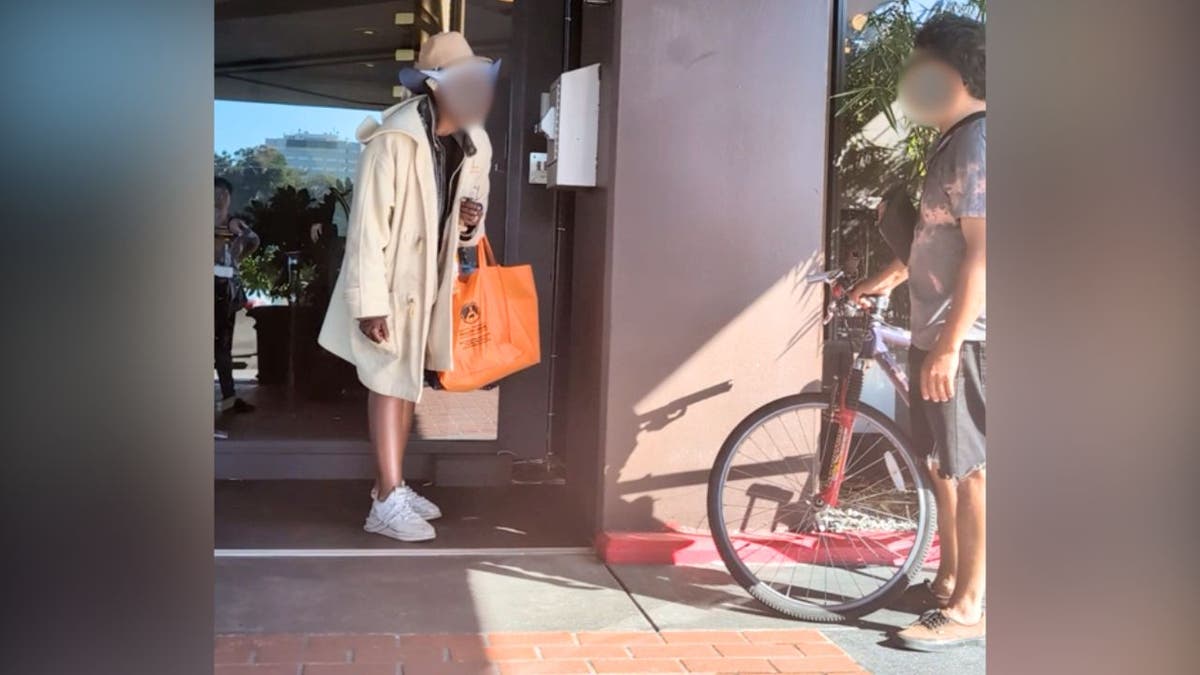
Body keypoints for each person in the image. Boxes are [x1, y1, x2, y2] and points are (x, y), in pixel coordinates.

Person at [317, 31, 498, 542]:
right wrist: (368, 303)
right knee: (386, 382)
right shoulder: (393, 139)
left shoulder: (472, 142)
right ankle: (386, 496)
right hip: (392, 281)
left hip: (431, 282)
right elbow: (368, 230)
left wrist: (467, 223)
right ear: (437, 86)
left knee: (407, 385)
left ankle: (389, 490)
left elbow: (467, 228)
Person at [849, 14, 986, 650]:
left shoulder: (982, 140)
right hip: (938, 327)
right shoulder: (953, 141)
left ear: (955, 73)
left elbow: (987, 252)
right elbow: (937, 239)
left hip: (973, 335)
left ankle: (968, 607)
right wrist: (884, 278)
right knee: (942, 464)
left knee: (974, 468)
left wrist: (953, 344)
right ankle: (946, 581)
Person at [214, 176, 259, 414]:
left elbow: (253, 241)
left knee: (223, 349)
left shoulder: (234, 226)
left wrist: (238, 230)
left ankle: (230, 399)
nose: (220, 198)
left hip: (226, 293)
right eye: (215, 193)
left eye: (224, 194)